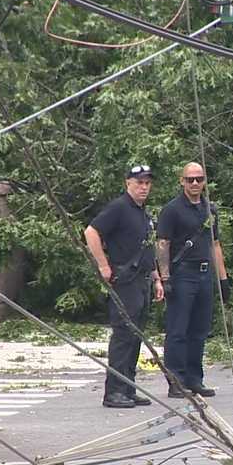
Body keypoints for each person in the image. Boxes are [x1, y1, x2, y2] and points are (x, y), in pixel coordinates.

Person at [85, 165, 165, 408]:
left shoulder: (142, 212)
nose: (143, 187)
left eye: (147, 183)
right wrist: (103, 266)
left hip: (142, 281)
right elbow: (91, 232)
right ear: (127, 183)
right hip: (125, 281)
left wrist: (156, 278)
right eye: (139, 182)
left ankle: (128, 387)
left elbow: (146, 249)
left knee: (135, 336)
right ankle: (114, 391)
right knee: (123, 335)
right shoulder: (119, 207)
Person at [156, 162, 230, 398]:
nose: (195, 183)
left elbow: (215, 245)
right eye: (190, 180)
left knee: (199, 329)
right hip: (183, 274)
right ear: (182, 181)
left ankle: (194, 379)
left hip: (205, 273)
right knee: (178, 330)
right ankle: (176, 382)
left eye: (199, 179)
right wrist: (165, 277)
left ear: (205, 181)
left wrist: (223, 279)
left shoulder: (210, 210)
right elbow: (162, 244)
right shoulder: (172, 210)